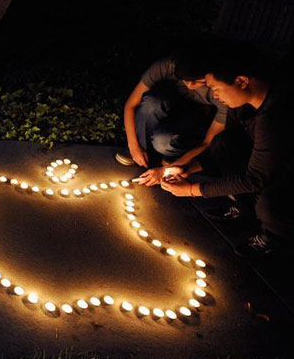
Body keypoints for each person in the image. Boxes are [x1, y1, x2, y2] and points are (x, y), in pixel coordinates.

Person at [138, 41, 292, 257]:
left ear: (241, 81)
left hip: (285, 181)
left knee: (270, 198)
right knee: (223, 144)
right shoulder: (241, 107)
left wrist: (192, 190)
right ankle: (244, 208)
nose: (215, 96)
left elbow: (256, 179)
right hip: (266, 170)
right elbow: (224, 147)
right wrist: (180, 169)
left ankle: (274, 236)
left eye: (216, 89)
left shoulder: (275, 117)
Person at [116, 38, 228, 168]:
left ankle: (173, 155)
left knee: (162, 142)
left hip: (196, 118)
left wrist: (171, 169)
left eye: (196, 81)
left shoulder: (221, 91)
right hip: (170, 106)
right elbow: (131, 104)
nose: (190, 85)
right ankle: (142, 151)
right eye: (184, 79)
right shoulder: (167, 66)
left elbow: (208, 141)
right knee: (151, 103)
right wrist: (133, 146)